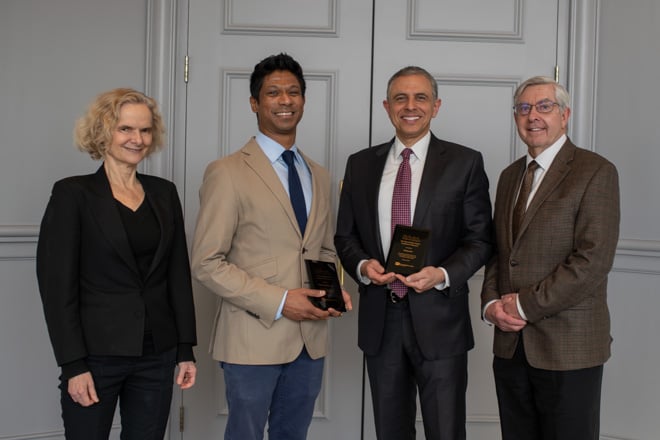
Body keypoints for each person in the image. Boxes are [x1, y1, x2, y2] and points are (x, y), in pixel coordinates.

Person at [190, 53, 352, 440]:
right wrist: (281, 301)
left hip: (309, 341)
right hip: (252, 339)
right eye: (274, 92)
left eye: (293, 92)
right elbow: (206, 262)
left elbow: (322, 250)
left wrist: (332, 293)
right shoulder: (226, 172)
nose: (285, 100)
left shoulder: (318, 173)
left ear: (304, 100)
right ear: (254, 103)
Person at [335, 66, 494, 440]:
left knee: (446, 431)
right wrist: (361, 265)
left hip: (441, 321)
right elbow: (345, 236)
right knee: (390, 431)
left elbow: (481, 239)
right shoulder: (361, 165)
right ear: (387, 106)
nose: (411, 106)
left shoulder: (464, 163)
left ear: (436, 106)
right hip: (381, 319)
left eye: (420, 97)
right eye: (401, 98)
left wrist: (442, 274)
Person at [36, 88, 197, 439]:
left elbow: (177, 275)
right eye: (125, 129)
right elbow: (56, 287)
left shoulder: (164, 193)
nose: (136, 139)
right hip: (95, 357)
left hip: (158, 353)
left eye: (144, 130)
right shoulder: (72, 195)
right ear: (103, 131)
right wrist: (73, 364)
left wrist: (185, 349)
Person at [481, 76, 620, 440]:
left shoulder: (595, 171)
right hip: (511, 346)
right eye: (523, 108)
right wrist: (492, 303)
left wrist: (523, 305)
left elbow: (592, 261)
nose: (533, 117)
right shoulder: (510, 176)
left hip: (569, 347)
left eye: (544, 106)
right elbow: (499, 250)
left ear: (565, 114)